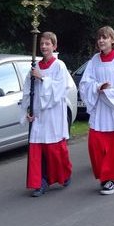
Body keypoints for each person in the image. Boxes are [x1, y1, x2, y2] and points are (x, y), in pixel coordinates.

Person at [79, 26, 114, 195]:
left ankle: (110, 179)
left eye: (105, 37)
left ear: (112, 40)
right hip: (99, 108)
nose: (101, 40)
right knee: (95, 144)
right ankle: (104, 175)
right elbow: (85, 83)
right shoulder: (94, 60)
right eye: (99, 38)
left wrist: (109, 92)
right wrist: (97, 87)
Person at [21, 31, 72, 197]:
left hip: (53, 114)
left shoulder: (59, 66)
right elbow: (29, 91)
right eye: (42, 44)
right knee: (37, 148)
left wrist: (42, 78)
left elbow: (60, 88)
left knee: (54, 149)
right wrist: (28, 109)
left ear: (54, 46)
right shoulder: (34, 67)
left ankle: (63, 174)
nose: (43, 47)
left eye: (47, 44)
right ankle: (39, 182)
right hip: (38, 114)